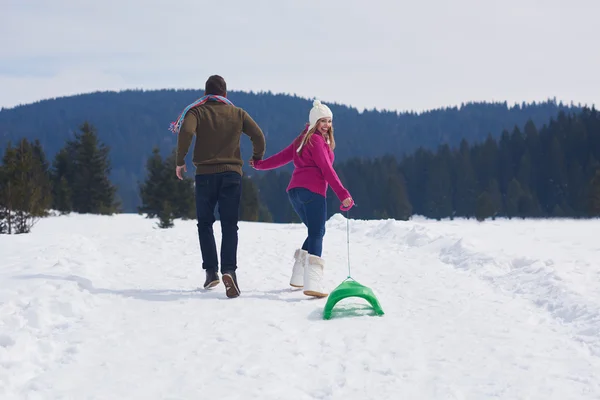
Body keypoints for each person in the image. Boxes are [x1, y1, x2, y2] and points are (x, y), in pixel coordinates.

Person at [173, 75, 266, 299]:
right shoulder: (237, 113)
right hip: (232, 176)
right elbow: (258, 136)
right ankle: (229, 270)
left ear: (206, 94)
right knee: (229, 226)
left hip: (205, 175)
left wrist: (180, 160)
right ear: (225, 94)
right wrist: (256, 157)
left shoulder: (196, 112)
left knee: (205, 224)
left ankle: (211, 272)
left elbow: (185, 132)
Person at [250, 99, 353, 298]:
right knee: (317, 232)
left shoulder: (304, 139)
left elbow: (282, 157)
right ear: (314, 122)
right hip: (312, 191)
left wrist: (260, 165)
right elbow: (326, 169)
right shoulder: (315, 140)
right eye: (322, 121)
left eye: (329, 121)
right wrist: (343, 194)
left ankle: (298, 276)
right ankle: (313, 282)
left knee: (315, 231)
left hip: (295, 192)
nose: (326, 125)